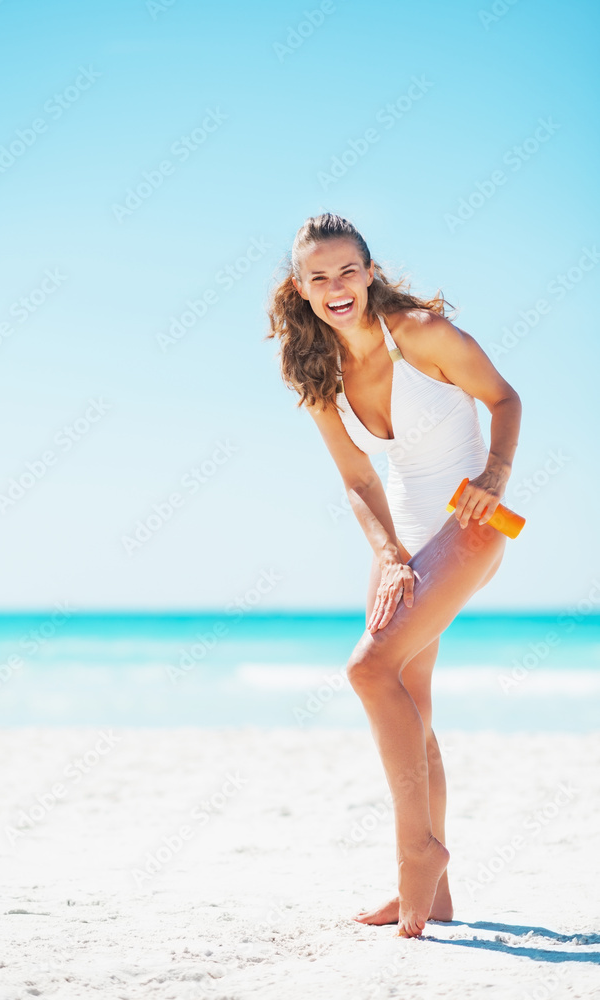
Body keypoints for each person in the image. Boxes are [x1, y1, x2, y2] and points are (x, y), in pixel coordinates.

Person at [265, 213, 522, 938]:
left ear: (369, 271)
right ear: (300, 288)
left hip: (472, 521)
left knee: (366, 669)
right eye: (318, 276)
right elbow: (354, 477)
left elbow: (505, 399)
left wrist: (495, 476)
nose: (335, 286)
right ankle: (435, 898)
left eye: (347, 270)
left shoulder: (419, 334)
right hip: (404, 539)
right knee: (409, 703)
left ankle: (417, 853)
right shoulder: (315, 371)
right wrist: (386, 554)